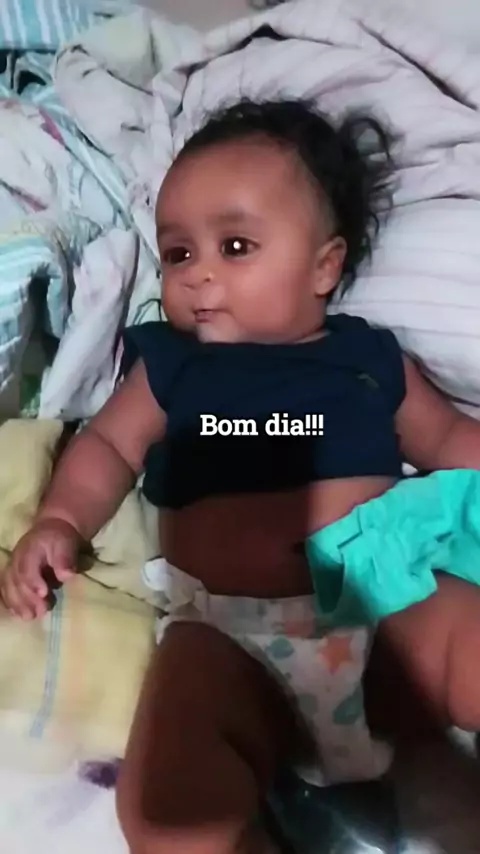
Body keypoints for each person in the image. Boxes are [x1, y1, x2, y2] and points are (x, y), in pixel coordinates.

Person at [3, 97, 480, 854]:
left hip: (384, 606)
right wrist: (60, 520)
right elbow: (109, 448)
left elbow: (450, 437)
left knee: (464, 628)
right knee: (165, 802)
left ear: (324, 265)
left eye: (235, 245)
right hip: (230, 639)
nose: (197, 276)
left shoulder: (368, 360)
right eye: (177, 254)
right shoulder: (173, 367)